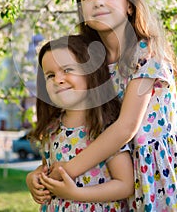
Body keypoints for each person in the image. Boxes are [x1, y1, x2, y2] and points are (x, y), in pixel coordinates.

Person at [28, 0, 177, 211]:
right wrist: (43, 171)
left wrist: (63, 171)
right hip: (117, 170)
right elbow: (81, 123)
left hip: (156, 173)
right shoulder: (90, 62)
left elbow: (125, 127)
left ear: (129, 5)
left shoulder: (146, 52)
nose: (98, 1)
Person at [27, 34, 134, 211]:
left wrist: (75, 194)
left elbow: (125, 184)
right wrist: (33, 177)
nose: (58, 80)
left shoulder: (105, 128)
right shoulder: (52, 128)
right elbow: (49, 168)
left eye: (67, 70)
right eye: (50, 75)